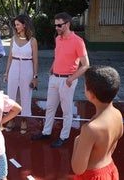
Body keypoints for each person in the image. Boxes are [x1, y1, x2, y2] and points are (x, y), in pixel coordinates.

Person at [31, 12, 90, 147]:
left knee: (67, 110)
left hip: (67, 80)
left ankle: (64, 137)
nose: (56, 27)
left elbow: (86, 65)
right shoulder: (58, 39)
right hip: (54, 78)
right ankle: (46, 132)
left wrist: (71, 79)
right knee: (50, 107)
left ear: (67, 24)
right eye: (55, 25)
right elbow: (58, 56)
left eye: (59, 25)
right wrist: (52, 69)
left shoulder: (78, 41)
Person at [71, 65, 123, 179]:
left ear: (91, 94)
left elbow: (78, 169)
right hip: (110, 169)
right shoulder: (118, 114)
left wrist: (77, 141)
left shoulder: (90, 129)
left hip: (93, 176)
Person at [3, 14, 38, 134]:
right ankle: (11, 119)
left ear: (24, 25)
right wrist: (6, 73)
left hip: (27, 68)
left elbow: (35, 60)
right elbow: (10, 57)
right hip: (14, 67)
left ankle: (24, 120)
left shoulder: (33, 41)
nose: (16, 26)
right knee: (12, 94)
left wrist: (35, 77)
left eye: (18, 24)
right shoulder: (13, 39)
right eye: (15, 24)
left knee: (25, 94)